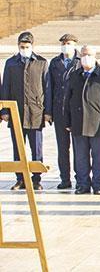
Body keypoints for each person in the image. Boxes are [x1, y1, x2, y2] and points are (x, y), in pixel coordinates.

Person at [65, 45, 100, 195]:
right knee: (80, 157)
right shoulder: (74, 75)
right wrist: (67, 121)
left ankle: (97, 184)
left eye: (89, 54)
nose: (86, 57)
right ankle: (82, 184)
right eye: (83, 54)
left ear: (95, 56)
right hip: (78, 122)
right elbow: (67, 99)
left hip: (97, 123)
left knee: (98, 156)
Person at [1, 31, 48, 190]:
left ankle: (36, 179)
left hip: (35, 113)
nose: (24, 49)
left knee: (37, 148)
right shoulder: (11, 63)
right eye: (22, 46)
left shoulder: (41, 63)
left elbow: (46, 87)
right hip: (16, 113)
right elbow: (5, 87)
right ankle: (20, 178)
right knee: (18, 148)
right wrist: (4, 111)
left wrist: (47, 111)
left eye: (27, 46)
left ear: (32, 46)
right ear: (18, 46)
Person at [45, 33, 81, 189]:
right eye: (64, 43)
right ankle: (65, 179)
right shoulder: (54, 62)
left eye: (69, 43)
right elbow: (49, 87)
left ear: (75, 44)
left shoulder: (81, 61)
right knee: (62, 147)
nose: (66, 45)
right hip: (59, 110)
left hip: (77, 111)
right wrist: (49, 111)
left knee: (79, 148)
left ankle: (81, 178)